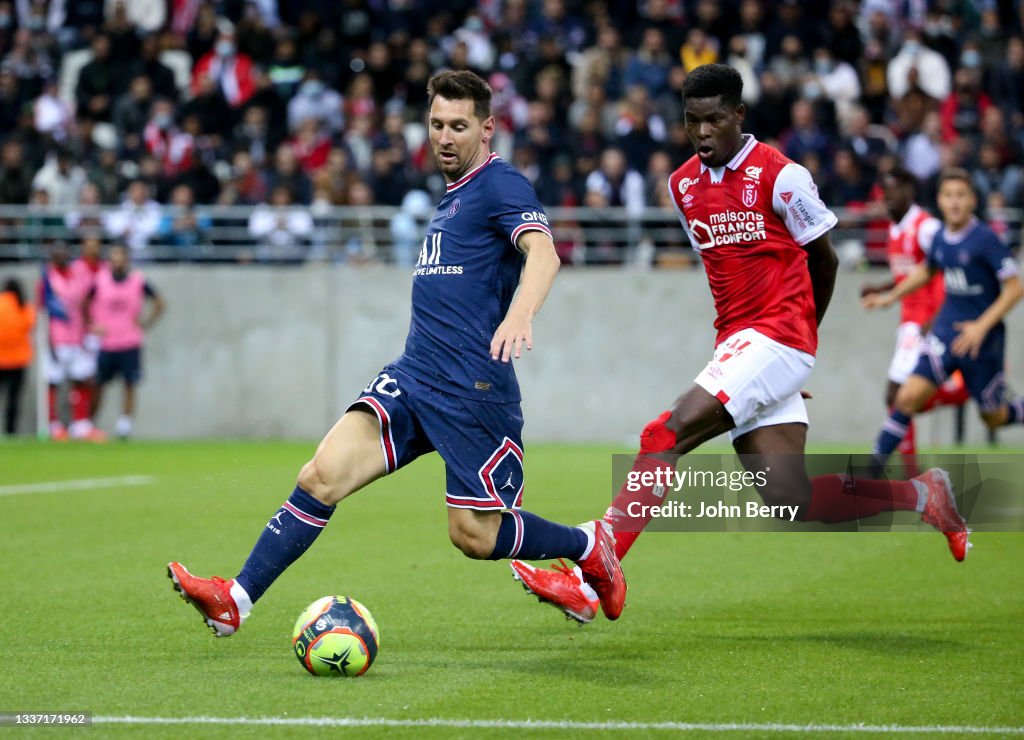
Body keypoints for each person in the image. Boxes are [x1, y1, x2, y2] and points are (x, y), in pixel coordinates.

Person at [167, 70, 626, 637]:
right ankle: (236, 600)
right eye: (436, 125)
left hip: (472, 390)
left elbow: (544, 254)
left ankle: (589, 542)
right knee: (321, 475)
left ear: (488, 129)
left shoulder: (501, 184)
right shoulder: (452, 196)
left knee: (474, 536)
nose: (445, 137)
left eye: (459, 126)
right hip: (414, 376)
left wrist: (520, 313)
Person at [511, 64, 971, 624]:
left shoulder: (782, 176)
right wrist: (770, 370)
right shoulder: (682, 186)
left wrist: (796, 346)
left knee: (664, 433)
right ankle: (926, 497)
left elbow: (821, 260)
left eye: (713, 121)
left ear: (738, 116)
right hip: (743, 344)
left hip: (778, 337)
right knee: (791, 500)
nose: (702, 133)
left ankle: (595, 570)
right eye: (691, 122)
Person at [863, 168, 1023, 470]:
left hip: (982, 343)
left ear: (973, 200)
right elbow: (927, 270)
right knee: (905, 398)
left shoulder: (985, 240)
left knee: (994, 416)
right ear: (940, 200)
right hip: (945, 333)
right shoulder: (939, 237)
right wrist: (889, 297)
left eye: (961, 196)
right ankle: (867, 475)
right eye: (949, 196)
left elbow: (1015, 289)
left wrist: (980, 326)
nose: (954, 202)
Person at [859, 168, 967, 475]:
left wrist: (938, 316)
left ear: (910, 191)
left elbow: (945, 269)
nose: (888, 197)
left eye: (894, 190)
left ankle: (882, 472)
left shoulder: (926, 227)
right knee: (900, 398)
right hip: (909, 321)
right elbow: (908, 275)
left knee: (895, 396)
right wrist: (881, 289)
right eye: (884, 191)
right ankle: (912, 475)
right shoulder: (895, 230)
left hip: (926, 322)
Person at [84, 244, 164, 439]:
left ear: (127, 260)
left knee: (130, 384)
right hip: (107, 342)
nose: (117, 262)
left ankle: (124, 426)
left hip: (130, 341)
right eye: (114, 257)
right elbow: (84, 303)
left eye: (121, 257)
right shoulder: (100, 280)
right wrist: (91, 324)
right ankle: (89, 424)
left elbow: (159, 302)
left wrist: (146, 323)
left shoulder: (137, 281)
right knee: (99, 384)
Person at [38, 242, 104, 441]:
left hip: (77, 336)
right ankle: (53, 425)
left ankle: (81, 425)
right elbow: (43, 311)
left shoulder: (77, 275)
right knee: (53, 381)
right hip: (56, 338)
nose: (62, 257)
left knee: (82, 379)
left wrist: (88, 328)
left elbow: (84, 302)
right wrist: (47, 340)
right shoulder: (47, 279)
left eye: (65, 253)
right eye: (58, 254)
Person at [0, 277, 35, 435]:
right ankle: (10, 430)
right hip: (18, 360)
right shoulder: (24, 306)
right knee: (13, 399)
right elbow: (29, 324)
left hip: (1, 358)